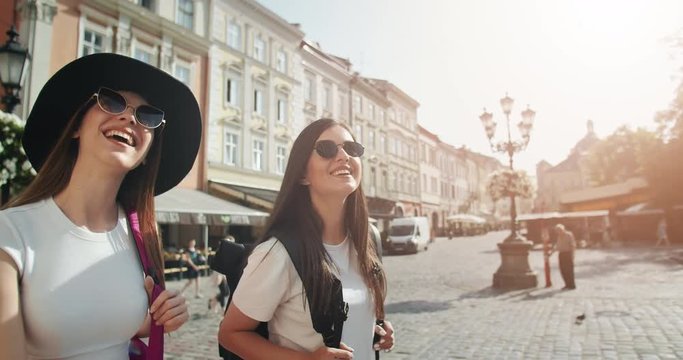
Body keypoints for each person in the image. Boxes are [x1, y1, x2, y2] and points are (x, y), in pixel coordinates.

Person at [0, 53, 202, 359]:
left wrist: (161, 317)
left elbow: (104, 329)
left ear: (147, 153)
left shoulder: (139, 236)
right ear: (76, 127)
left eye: (147, 116)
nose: (130, 117)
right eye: (112, 101)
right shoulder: (11, 233)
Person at [218, 118, 394, 359]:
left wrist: (374, 329)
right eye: (327, 149)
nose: (343, 156)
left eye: (351, 148)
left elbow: (355, 316)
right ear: (302, 174)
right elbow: (231, 334)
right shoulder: (278, 253)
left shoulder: (368, 241)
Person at [553, 224, 577, 290]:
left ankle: (572, 285)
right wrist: (551, 253)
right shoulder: (559, 237)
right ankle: (567, 284)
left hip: (567, 253)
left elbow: (572, 245)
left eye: (559, 230)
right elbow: (557, 246)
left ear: (563, 229)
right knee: (563, 270)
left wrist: (572, 255)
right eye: (557, 231)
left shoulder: (568, 235)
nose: (558, 232)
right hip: (561, 254)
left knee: (569, 270)